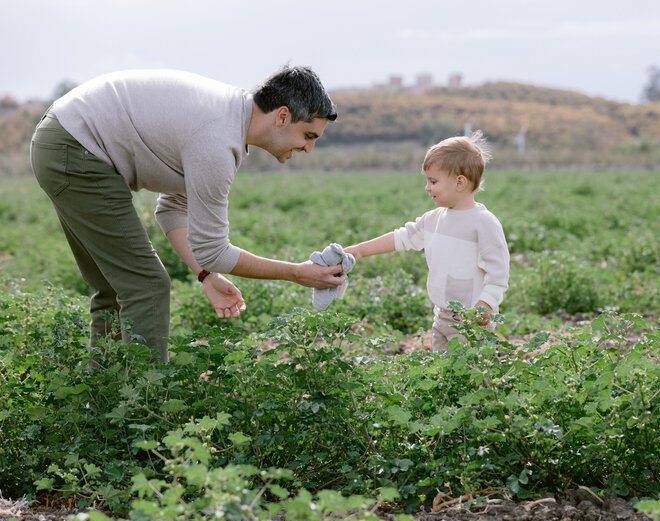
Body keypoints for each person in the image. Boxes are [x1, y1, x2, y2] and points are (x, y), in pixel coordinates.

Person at [30, 65, 346, 363]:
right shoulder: (217, 142)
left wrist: (206, 274)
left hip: (64, 139)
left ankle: (104, 401)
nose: (309, 149)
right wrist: (295, 272)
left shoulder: (226, 120)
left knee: (117, 286)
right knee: (147, 286)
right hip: (76, 148)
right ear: (282, 117)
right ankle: (142, 407)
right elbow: (214, 250)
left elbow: (172, 210)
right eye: (308, 136)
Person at [344, 132, 510, 351]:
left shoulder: (484, 222)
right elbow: (402, 237)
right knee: (443, 373)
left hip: (473, 319)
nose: (427, 187)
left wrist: (486, 304)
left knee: (472, 375)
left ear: (460, 182)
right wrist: (361, 250)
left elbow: (498, 272)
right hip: (442, 314)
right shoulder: (433, 219)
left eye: (433, 181)